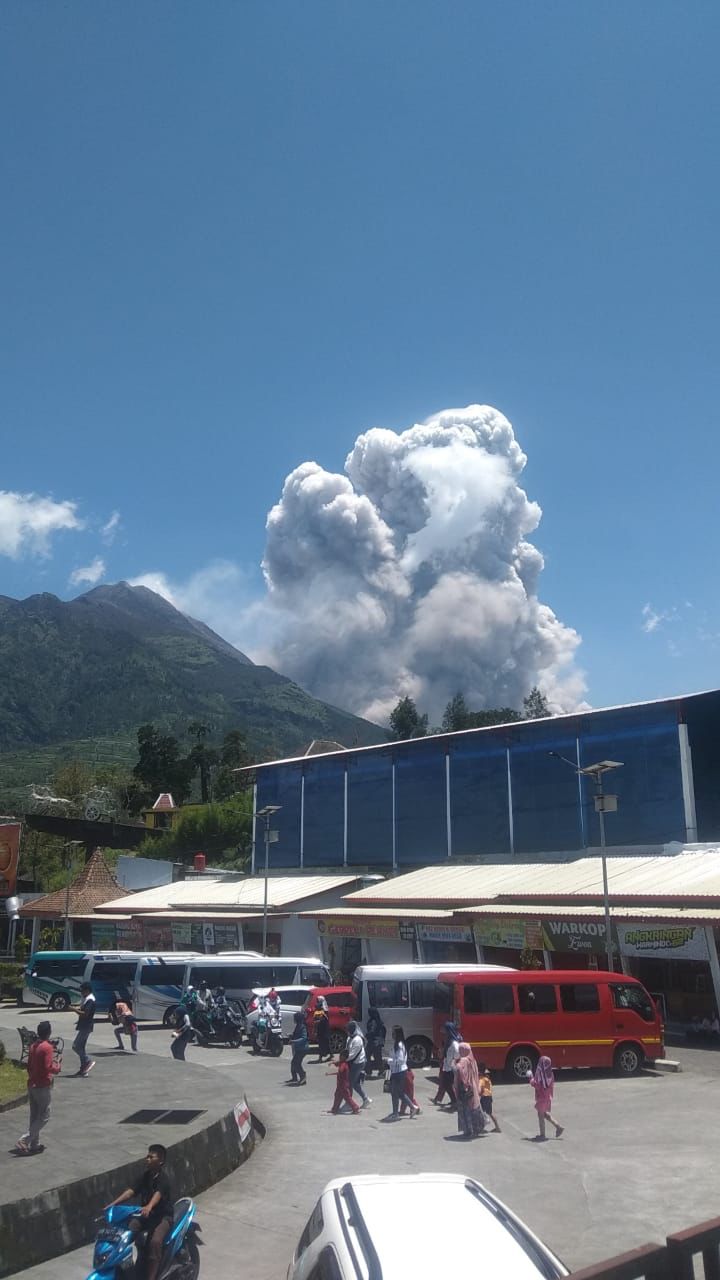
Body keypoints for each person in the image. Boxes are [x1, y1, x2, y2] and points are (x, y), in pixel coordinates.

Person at [106, 1143, 173, 1280]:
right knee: (127, 1230)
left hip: (163, 1217)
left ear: (160, 1161)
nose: (146, 1159)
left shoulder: (163, 1179)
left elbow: (158, 1194)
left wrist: (149, 1206)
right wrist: (113, 1204)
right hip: (146, 1215)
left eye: (150, 1157)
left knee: (155, 1241)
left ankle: (151, 1277)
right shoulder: (145, 1176)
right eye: (147, 1156)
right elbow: (131, 1192)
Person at [15, 1021, 62, 1155]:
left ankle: (34, 1144)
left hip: (32, 1083)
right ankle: (25, 1139)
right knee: (45, 1115)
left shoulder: (33, 1046)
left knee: (34, 1115)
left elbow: (29, 1065)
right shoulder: (47, 1047)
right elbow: (48, 1067)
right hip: (42, 1085)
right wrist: (57, 1066)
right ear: (49, 1033)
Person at [387, 1025, 420, 1120]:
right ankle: (413, 1107)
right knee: (399, 1093)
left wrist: (389, 1061)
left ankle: (395, 1114)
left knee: (394, 1093)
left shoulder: (400, 1045)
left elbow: (400, 1060)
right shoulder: (397, 1044)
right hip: (397, 1071)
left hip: (399, 1072)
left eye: (393, 1032)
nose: (392, 1034)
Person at [528, 1055, 564, 1140]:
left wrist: (530, 1078)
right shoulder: (550, 1074)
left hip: (541, 1098)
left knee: (540, 1116)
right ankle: (558, 1127)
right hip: (547, 1098)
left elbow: (536, 1085)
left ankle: (542, 1135)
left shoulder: (540, 1075)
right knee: (544, 1114)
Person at [454, 1042, 484, 1138]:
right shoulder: (472, 1059)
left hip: (465, 1089)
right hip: (473, 1088)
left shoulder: (463, 1060)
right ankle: (477, 1129)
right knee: (474, 1109)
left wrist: (455, 1063)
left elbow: (459, 1069)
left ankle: (468, 1130)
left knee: (465, 1110)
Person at [431, 1022, 461, 1108]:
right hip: (446, 1066)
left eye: (445, 1030)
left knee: (448, 1084)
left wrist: (451, 1060)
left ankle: (456, 1101)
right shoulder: (448, 1041)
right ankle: (454, 1100)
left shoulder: (454, 1043)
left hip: (451, 1067)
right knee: (445, 1084)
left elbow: (457, 1054)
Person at [346, 1020, 371, 1108]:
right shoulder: (349, 1038)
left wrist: (342, 1060)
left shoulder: (357, 1040)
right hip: (353, 1062)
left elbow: (352, 1055)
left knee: (349, 1083)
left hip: (358, 1063)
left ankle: (349, 1103)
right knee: (355, 1083)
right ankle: (365, 1099)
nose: (347, 1031)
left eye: (348, 1030)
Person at [72, 983, 96, 1077]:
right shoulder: (87, 999)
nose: (81, 992)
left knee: (76, 1046)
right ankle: (83, 1069)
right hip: (84, 1026)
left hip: (86, 1026)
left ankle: (87, 1061)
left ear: (87, 990)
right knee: (81, 1047)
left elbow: (85, 1014)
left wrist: (73, 1009)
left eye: (82, 990)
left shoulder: (90, 1000)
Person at [327, 1050, 360, 1114]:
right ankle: (334, 1109)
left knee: (347, 1097)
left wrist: (330, 1073)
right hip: (341, 1084)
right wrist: (333, 1063)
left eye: (340, 1056)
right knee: (337, 1096)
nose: (339, 1057)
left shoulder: (343, 1064)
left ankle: (355, 1107)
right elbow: (337, 1063)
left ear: (344, 1057)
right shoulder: (343, 1063)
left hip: (343, 1085)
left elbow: (340, 1072)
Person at [477, 1062, 501, 1132]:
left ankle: (481, 1127)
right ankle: (497, 1127)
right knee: (490, 1112)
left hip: (484, 1097)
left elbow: (480, 1089)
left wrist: (478, 1095)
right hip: (489, 1096)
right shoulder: (487, 1078)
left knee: (480, 1112)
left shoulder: (481, 1079)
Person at [365, 1006, 386, 1078]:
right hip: (377, 1042)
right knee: (377, 1057)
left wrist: (366, 1035)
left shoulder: (373, 1021)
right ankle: (381, 1071)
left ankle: (369, 1072)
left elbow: (372, 1031)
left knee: (367, 1056)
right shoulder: (378, 1020)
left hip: (373, 1041)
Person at [289, 1010, 308, 1084]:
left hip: (303, 1048)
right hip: (298, 1048)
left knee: (296, 1063)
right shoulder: (298, 1026)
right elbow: (296, 1035)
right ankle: (295, 1078)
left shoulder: (302, 1027)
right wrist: (291, 1036)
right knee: (294, 1063)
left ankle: (303, 1076)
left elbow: (304, 1038)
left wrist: (294, 1041)